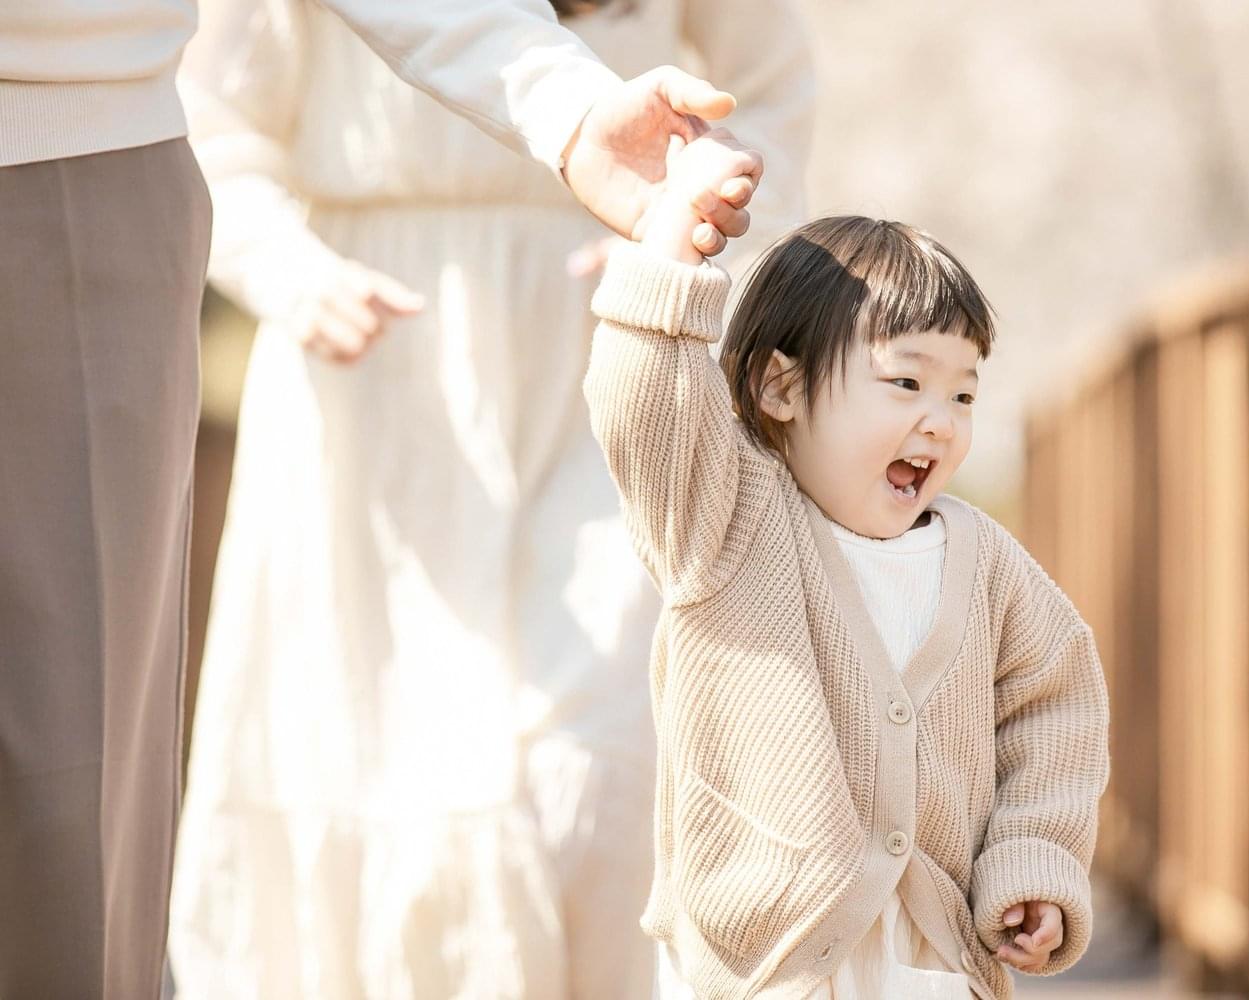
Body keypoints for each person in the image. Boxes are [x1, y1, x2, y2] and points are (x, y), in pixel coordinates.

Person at [0, 0, 764, 994]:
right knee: (369, 743)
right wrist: (289, 270)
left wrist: (675, 230)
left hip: (596, 362)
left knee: (592, 750)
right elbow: (221, 118)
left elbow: (770, 91)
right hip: (377, 383)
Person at [582, 133, 1112, 999]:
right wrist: (669, 244)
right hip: (765, 966)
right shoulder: (726, 523)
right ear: (781, 388)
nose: (941, 421)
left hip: (934, 965)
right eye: (907, 383)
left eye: (964, 394)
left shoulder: (984, 564)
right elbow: (648, 411)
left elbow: (1054, 704)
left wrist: (1032, 860)